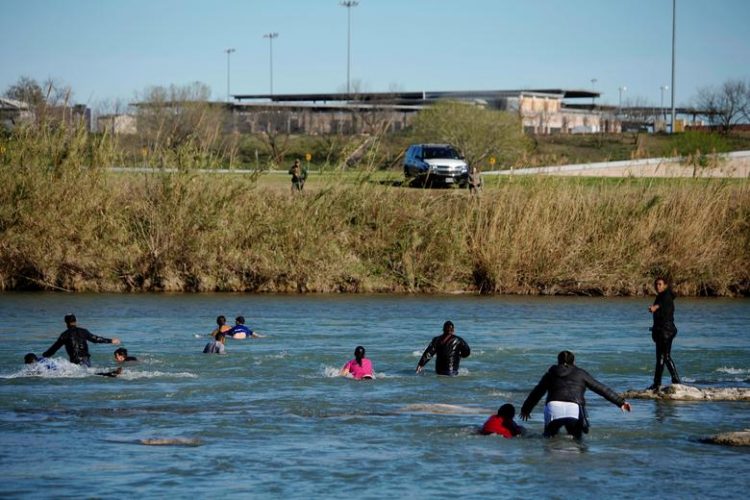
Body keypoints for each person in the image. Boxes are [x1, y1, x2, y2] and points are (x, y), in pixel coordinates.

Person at [520, 351, 631, 439]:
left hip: (553, 408)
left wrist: (526, 409)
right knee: (577, 440)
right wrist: (620, 402)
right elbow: (600, 388)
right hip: (574, 409)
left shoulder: (550, 374)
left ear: (558, 361)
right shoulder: (581, 373)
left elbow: (537, 392)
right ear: (574, 362)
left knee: (549, 439)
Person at [42, 314, 121, 367]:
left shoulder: (64, 335)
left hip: (74, 363)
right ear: (76, 321)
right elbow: (95, 339)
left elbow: (54, 348)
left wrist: (44, 356)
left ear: (66, 322)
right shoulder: (83, 331)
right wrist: (111, 341)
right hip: (85, 360)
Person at [648, 277, 680, 391]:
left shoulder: (665, 296)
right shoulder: (662, 296)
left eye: (660, 284)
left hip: (666, 331)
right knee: (660, 358)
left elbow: (659, 305)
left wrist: (654, 308)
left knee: (665, 356)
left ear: (665, 285)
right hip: (663, 331)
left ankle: (676, 380)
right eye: (656, 284)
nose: (658, 286)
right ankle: (657, 384)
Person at [24, 353, 122, 377]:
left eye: (28, 363)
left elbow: (39, 372)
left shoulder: (39, 364)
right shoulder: (42, 359)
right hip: (68, 366)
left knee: (90, 374)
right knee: (90, 372)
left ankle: (111, 373)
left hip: (64, 371)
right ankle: (111, 372)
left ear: (32, 361)